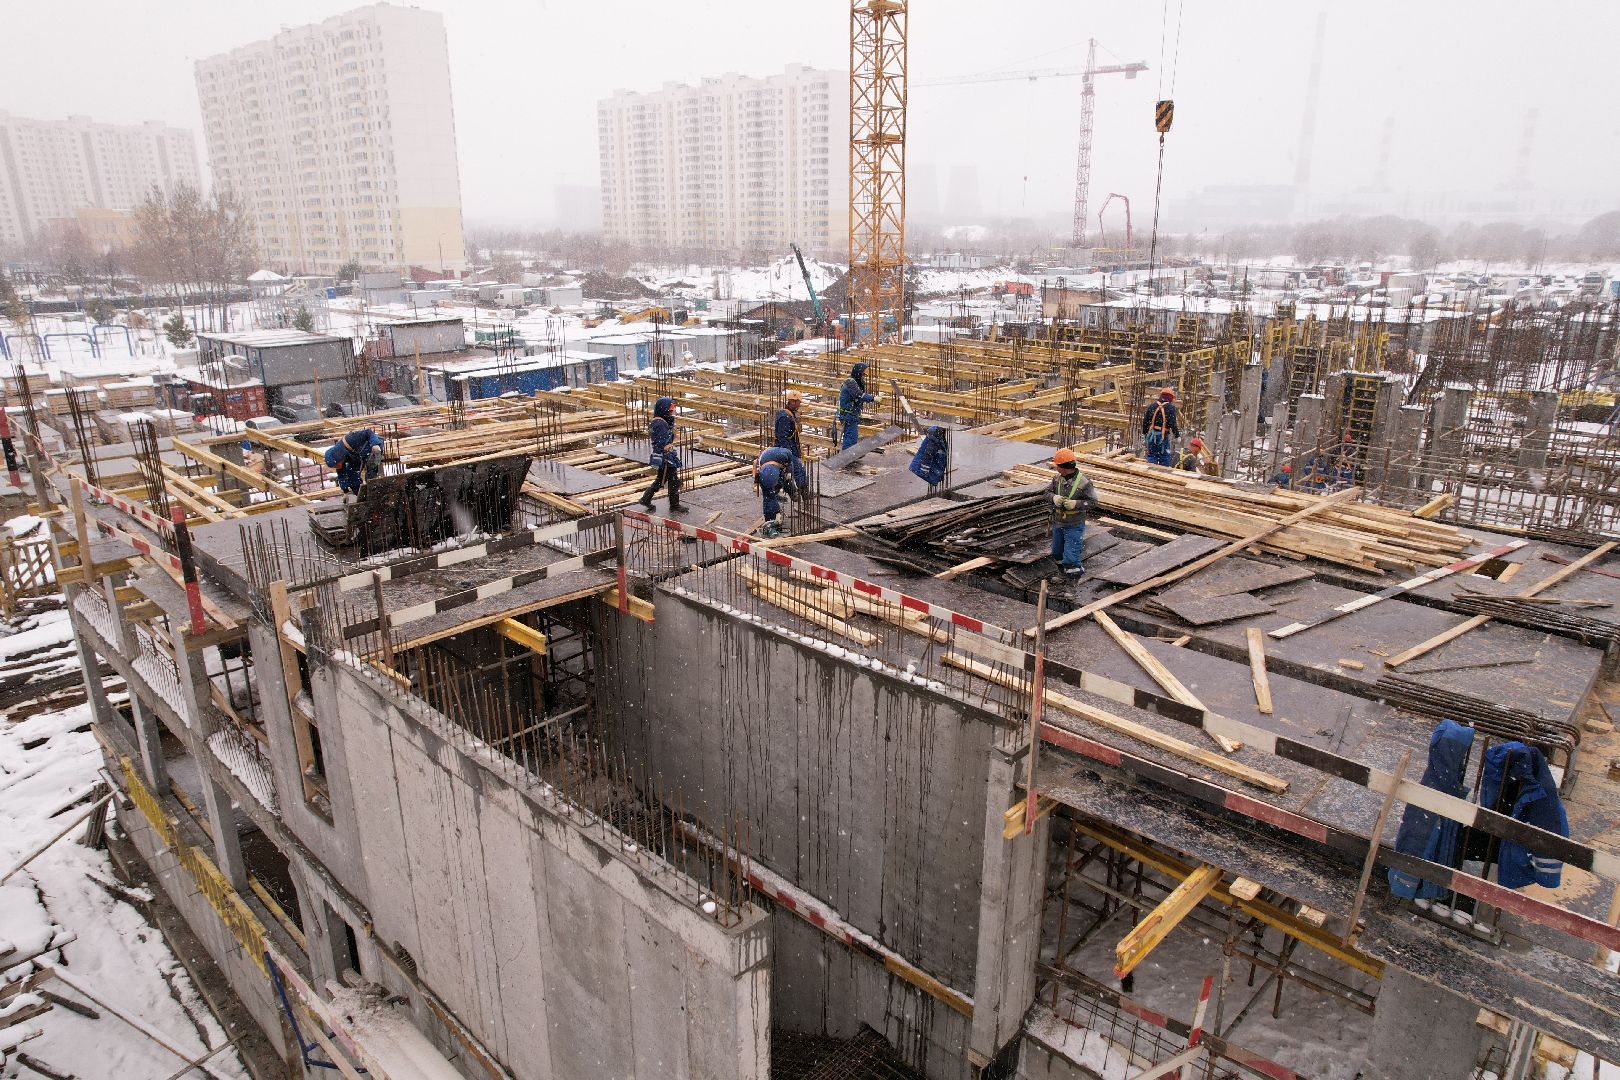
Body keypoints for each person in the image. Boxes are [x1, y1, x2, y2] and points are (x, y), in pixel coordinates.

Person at [1049, 447, 1097, 579]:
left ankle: (1072, 586)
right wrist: (1054, 497)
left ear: (1063, 467)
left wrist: (1076, 504)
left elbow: (1093, 502)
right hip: (1058, 523)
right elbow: (1046, 493)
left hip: (1074, 525)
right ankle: (1062, 574)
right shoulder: (1057, 479)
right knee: (1057, 553)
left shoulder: (1084, 483)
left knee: (1071, 558)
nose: (1055, 468)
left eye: (1057, 466)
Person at [635, 396, 687, 513]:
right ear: (664, 409)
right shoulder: (659, 423)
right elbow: (661, 442)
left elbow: (665, 438)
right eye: (670, 409)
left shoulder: (659, 422)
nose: (672, 411)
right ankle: (674, 505)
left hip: (665, 456)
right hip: (665, 457)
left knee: (661, 480)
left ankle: (646, 499)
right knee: (672, 481)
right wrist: (664, 454)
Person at [324, 428, 384, 498]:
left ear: (337, 458)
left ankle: (375, 494)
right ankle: (361, 495)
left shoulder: (350, 439)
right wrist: (345, 491)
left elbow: (368, 432)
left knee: (371, 471)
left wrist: (375, 444)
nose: (337, 467)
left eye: (336, 465)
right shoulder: (341, 459)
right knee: (351, 473)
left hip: (374, 447)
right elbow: (342, 476)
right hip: (360, 455)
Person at [754, 446, 798, 538]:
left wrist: (789, 473)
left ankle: (792, 492)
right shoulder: (761, 472)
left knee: (786, 480)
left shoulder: (785, 454)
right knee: (769, 497)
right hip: (768, 471)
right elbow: (755, 468)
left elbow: (790, 464)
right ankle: (770, 520)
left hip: (777, 467)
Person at [835, 361, 878, 449]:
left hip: (852, 414)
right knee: (850, 438)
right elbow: (858, 395)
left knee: (852, 437)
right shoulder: (850, 382)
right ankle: (847, 457)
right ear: (859, 372)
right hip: (848, 415)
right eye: (863, 374)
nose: (864, 376)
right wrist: (873, 398)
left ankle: (850, 455)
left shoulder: (857, 381)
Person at [1140, 388, 1179, 466]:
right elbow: (1173, 423)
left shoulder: (1152, 406)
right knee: (1164, 456)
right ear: (1170, 397)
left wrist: (1144, 433)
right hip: (1163, 437)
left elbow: (1146, 421)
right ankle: (1162, 473)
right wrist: (1177, 435)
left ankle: (1150, 472)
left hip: (1152, 435)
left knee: (1152, 455)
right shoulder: (1170, 408)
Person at [774, 389, 804, 460]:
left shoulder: (789, 415)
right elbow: (782, 437)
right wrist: (789, 454)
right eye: (799, 402)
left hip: (791, 451)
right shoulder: (785, 417)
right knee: (799, 470)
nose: (799, 405)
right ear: (793, 402)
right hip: (787, 452)